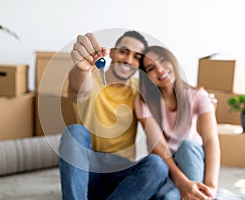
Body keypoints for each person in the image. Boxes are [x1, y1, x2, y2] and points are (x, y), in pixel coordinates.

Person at [59, 31, 169, 200]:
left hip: (123, 176)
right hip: (90, 172)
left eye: (136, 57)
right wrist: (81, 68)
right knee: (74, 132)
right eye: (124, 51)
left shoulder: (140, 90)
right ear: (112, 52)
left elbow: (168, 101)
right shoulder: (92, 81)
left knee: (158, 165)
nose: (128, 60)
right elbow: (77, 88)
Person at [135, 46, 220, 200]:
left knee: (185, 145)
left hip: (192, 158)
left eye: (162, 61)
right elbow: (159, 147)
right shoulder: (143, 102)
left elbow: (211, 141)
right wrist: (182, 182)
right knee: (167, 197)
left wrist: (211, 186)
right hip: (168, 165)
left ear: (172, 60)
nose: (160, 70)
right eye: (151, 68)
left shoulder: (198, 95)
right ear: (147, 75)